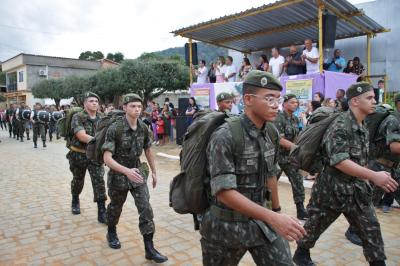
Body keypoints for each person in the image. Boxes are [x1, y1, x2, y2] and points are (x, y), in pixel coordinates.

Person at [201, 70, 305, 265]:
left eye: (278, 99)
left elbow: (270, 175)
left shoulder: (271, 132)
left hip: (262, 223)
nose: (276, 105)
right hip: (225, 227)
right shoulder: (225, 135)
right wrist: (273, 217)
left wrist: (277, 211)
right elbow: (224, 192)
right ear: (248, 99)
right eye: (269, 98)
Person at [293, 82, 398, 266]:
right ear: (355, 101)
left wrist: (366, 178)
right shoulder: (341, 124)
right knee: (315, 225)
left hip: (357, 189)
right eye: (370, 98)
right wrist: (373, 175)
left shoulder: (362, 124)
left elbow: (358, 158)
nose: (375, 101)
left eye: (374, 97)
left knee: (371, 229)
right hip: (331, 189)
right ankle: (301, 254)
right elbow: (339, 161)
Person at [102, 93, 168, 263]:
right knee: (116, 207)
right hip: (118, 174)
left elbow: (148, 150)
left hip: (137, 173)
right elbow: (107, 158)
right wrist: (126, 171)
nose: (137, 109)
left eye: (139, 106)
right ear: (124, 108)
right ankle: (111, 231)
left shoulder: (144, 127)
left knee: (145, 208)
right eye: (132, 106)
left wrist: (153, 171)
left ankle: (149, 248)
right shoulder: (115, 128)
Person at [67, 92, 107, 223]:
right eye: (91, 101)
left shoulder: (103, 117)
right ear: (84, 104)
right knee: (78, 180)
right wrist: (99, 141)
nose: (94, 103)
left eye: (96, 101)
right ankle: (75, 199)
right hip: (79, 154)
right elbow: (81, 136)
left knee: (99, 182)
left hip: (95, 156)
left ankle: (102, 211)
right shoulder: (78, 117)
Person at [275, 94, 308, 220]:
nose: (295, 104)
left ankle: (300, 209)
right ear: (284, 104)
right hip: (277, 158)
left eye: (296, 102)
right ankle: (266, 208)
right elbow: (279, 139)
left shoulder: (295, 119)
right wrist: (295, 147)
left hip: (290, 158)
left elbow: (297, 136)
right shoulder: (278, 118)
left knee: (298, 182)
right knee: (270, 184)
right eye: (292, 102)